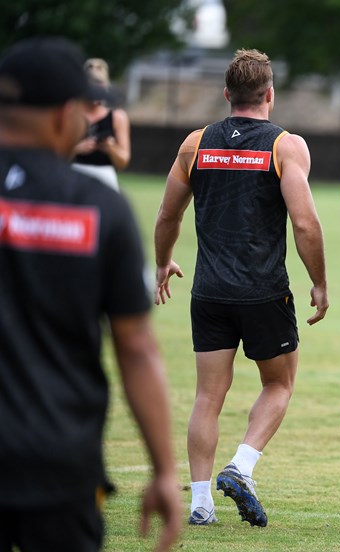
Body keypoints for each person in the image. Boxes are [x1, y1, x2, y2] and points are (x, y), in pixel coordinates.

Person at [0, 37, 181, 551]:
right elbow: (137, 348)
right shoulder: (98, 208)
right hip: (58, 461)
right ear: (63, 115)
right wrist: (164, 470)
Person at [154, 48, 329, 527]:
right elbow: (306, 224)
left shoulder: (195, 144)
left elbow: (169, 214)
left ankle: (200, 503)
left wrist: (163, 262)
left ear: (227, 94)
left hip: (207, 292)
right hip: (264, 293)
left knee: (207, 397)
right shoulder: (284, 146)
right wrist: (319, 282)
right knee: (279, 383)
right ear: (269, 94)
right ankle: (242, 466)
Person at [71, 57, 131, 190]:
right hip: (73, 175)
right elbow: (53, 154)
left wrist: (111, 147)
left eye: (101, 87)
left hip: (105, 177)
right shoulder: (71, 114)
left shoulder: (117, 117)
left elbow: (123, 162)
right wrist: (77, 148)